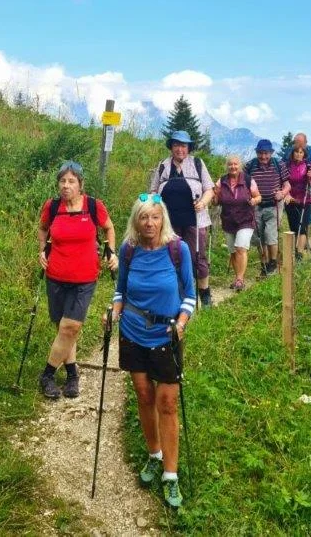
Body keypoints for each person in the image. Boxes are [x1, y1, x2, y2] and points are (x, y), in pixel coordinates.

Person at [106, 193, 196, 508]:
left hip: (166, 334)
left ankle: (171, 475)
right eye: (143, 217)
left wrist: (182, 321)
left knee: (167, 402)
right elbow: (120, 290)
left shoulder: (177, 250)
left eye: (155, 216)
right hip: (132, 332)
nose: (149, 223)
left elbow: (190, 295)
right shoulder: (128, 250)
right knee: (144, 395)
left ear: (163, 219)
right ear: (136, 221)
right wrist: (113, 311)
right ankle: (154, 454)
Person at [36, 161, 117, 399]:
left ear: (81, 184)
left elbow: (109, 228)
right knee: (63, 328)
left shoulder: (93, 206)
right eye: (62, 181)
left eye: (71, 181)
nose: (66, 185)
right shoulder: (52, 207)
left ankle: (47, 375)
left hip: (84, 278)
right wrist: (42, 250)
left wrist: (110, 251)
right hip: (56, 276)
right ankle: (72, 374)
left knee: (71, 326)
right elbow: (43, 229)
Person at [149, 130, 215, 307]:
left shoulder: (198, 164)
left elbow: (209, 189)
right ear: (171, 147)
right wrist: (156, 205)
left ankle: (204, 294)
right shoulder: (163, 166)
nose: (180, 149)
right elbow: (153, 192)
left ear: (189, 148)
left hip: (196, 219)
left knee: (197, 257)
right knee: (172, 256)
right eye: (176, 145)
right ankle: (177, 295)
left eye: (184, 145)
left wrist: (202, 202)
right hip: (169, 221)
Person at [213, 154, 261, 291]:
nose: (233, 167)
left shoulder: (247, 180)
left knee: (240, 248)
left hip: (245, 219)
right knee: (233, 251)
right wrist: (215, 195)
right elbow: (215, 202)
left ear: (239, 166)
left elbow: (258, 196)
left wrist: (254, 200)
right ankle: (237, 278)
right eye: (230, 164)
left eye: (235, 164)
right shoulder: (221, 181)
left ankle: (240, 280)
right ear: (226, 166)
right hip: (228, 220)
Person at [244, 139, 290, 276]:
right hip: (256, 206)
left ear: (271, 153)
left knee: (271, 235)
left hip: (274, 205)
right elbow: (243, 183)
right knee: (259, 237)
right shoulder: (250, 166)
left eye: (266, 153)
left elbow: (287, 184)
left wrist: (282, 193)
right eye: (260, 153)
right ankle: (263, 264)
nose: (263, 156)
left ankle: (273, 263)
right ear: (257, 153)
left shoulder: (279, 164)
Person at [283, 146, 311, 257]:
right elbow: (283, 182)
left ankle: (299, 254)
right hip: (290, 200)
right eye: (296, 152)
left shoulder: (309, 166)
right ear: (292, 153)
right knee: (293, 227)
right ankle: (294, 250)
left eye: (301, 152)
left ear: (304, 154)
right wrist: (287, 194)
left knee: (302, 227)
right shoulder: (287, 166)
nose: (299, 154)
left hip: (305, 200)